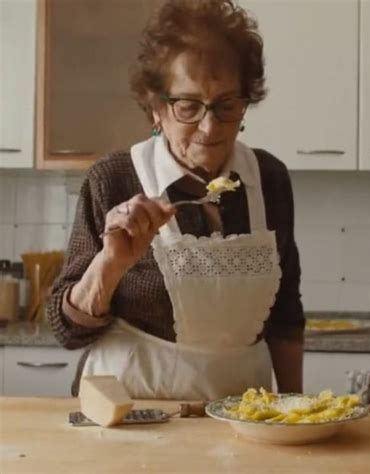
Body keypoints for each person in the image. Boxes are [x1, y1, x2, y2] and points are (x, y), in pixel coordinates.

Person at [47, 0, 304, 400]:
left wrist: (294, 411)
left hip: (241, 411)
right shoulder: (113, 179)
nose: (209, 126)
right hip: (130, 411)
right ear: (156, 109)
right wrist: (111, 264)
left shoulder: (268, 179)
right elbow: (66, 331)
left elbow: (286, 315)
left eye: (227, 105)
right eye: (188, 106)